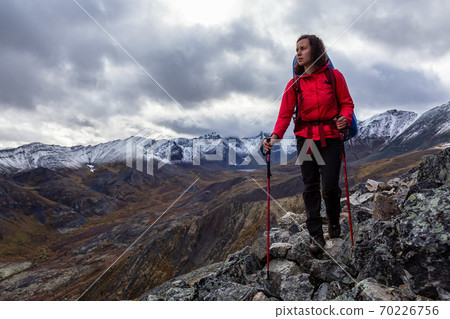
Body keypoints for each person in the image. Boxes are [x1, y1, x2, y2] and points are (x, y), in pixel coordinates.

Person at [264, 34, 354, 253]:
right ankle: (315, 236)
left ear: (315, 50)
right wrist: (274, 138)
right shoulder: (294, 84)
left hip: (331, 138)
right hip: (306, 140)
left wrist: (345, 118)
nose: (298, 53)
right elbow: (284, 115)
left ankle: (333, 222)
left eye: (302, 48)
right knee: (310, 186)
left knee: (330, 186)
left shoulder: (334, 77)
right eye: (297, 49)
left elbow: (347, 104)